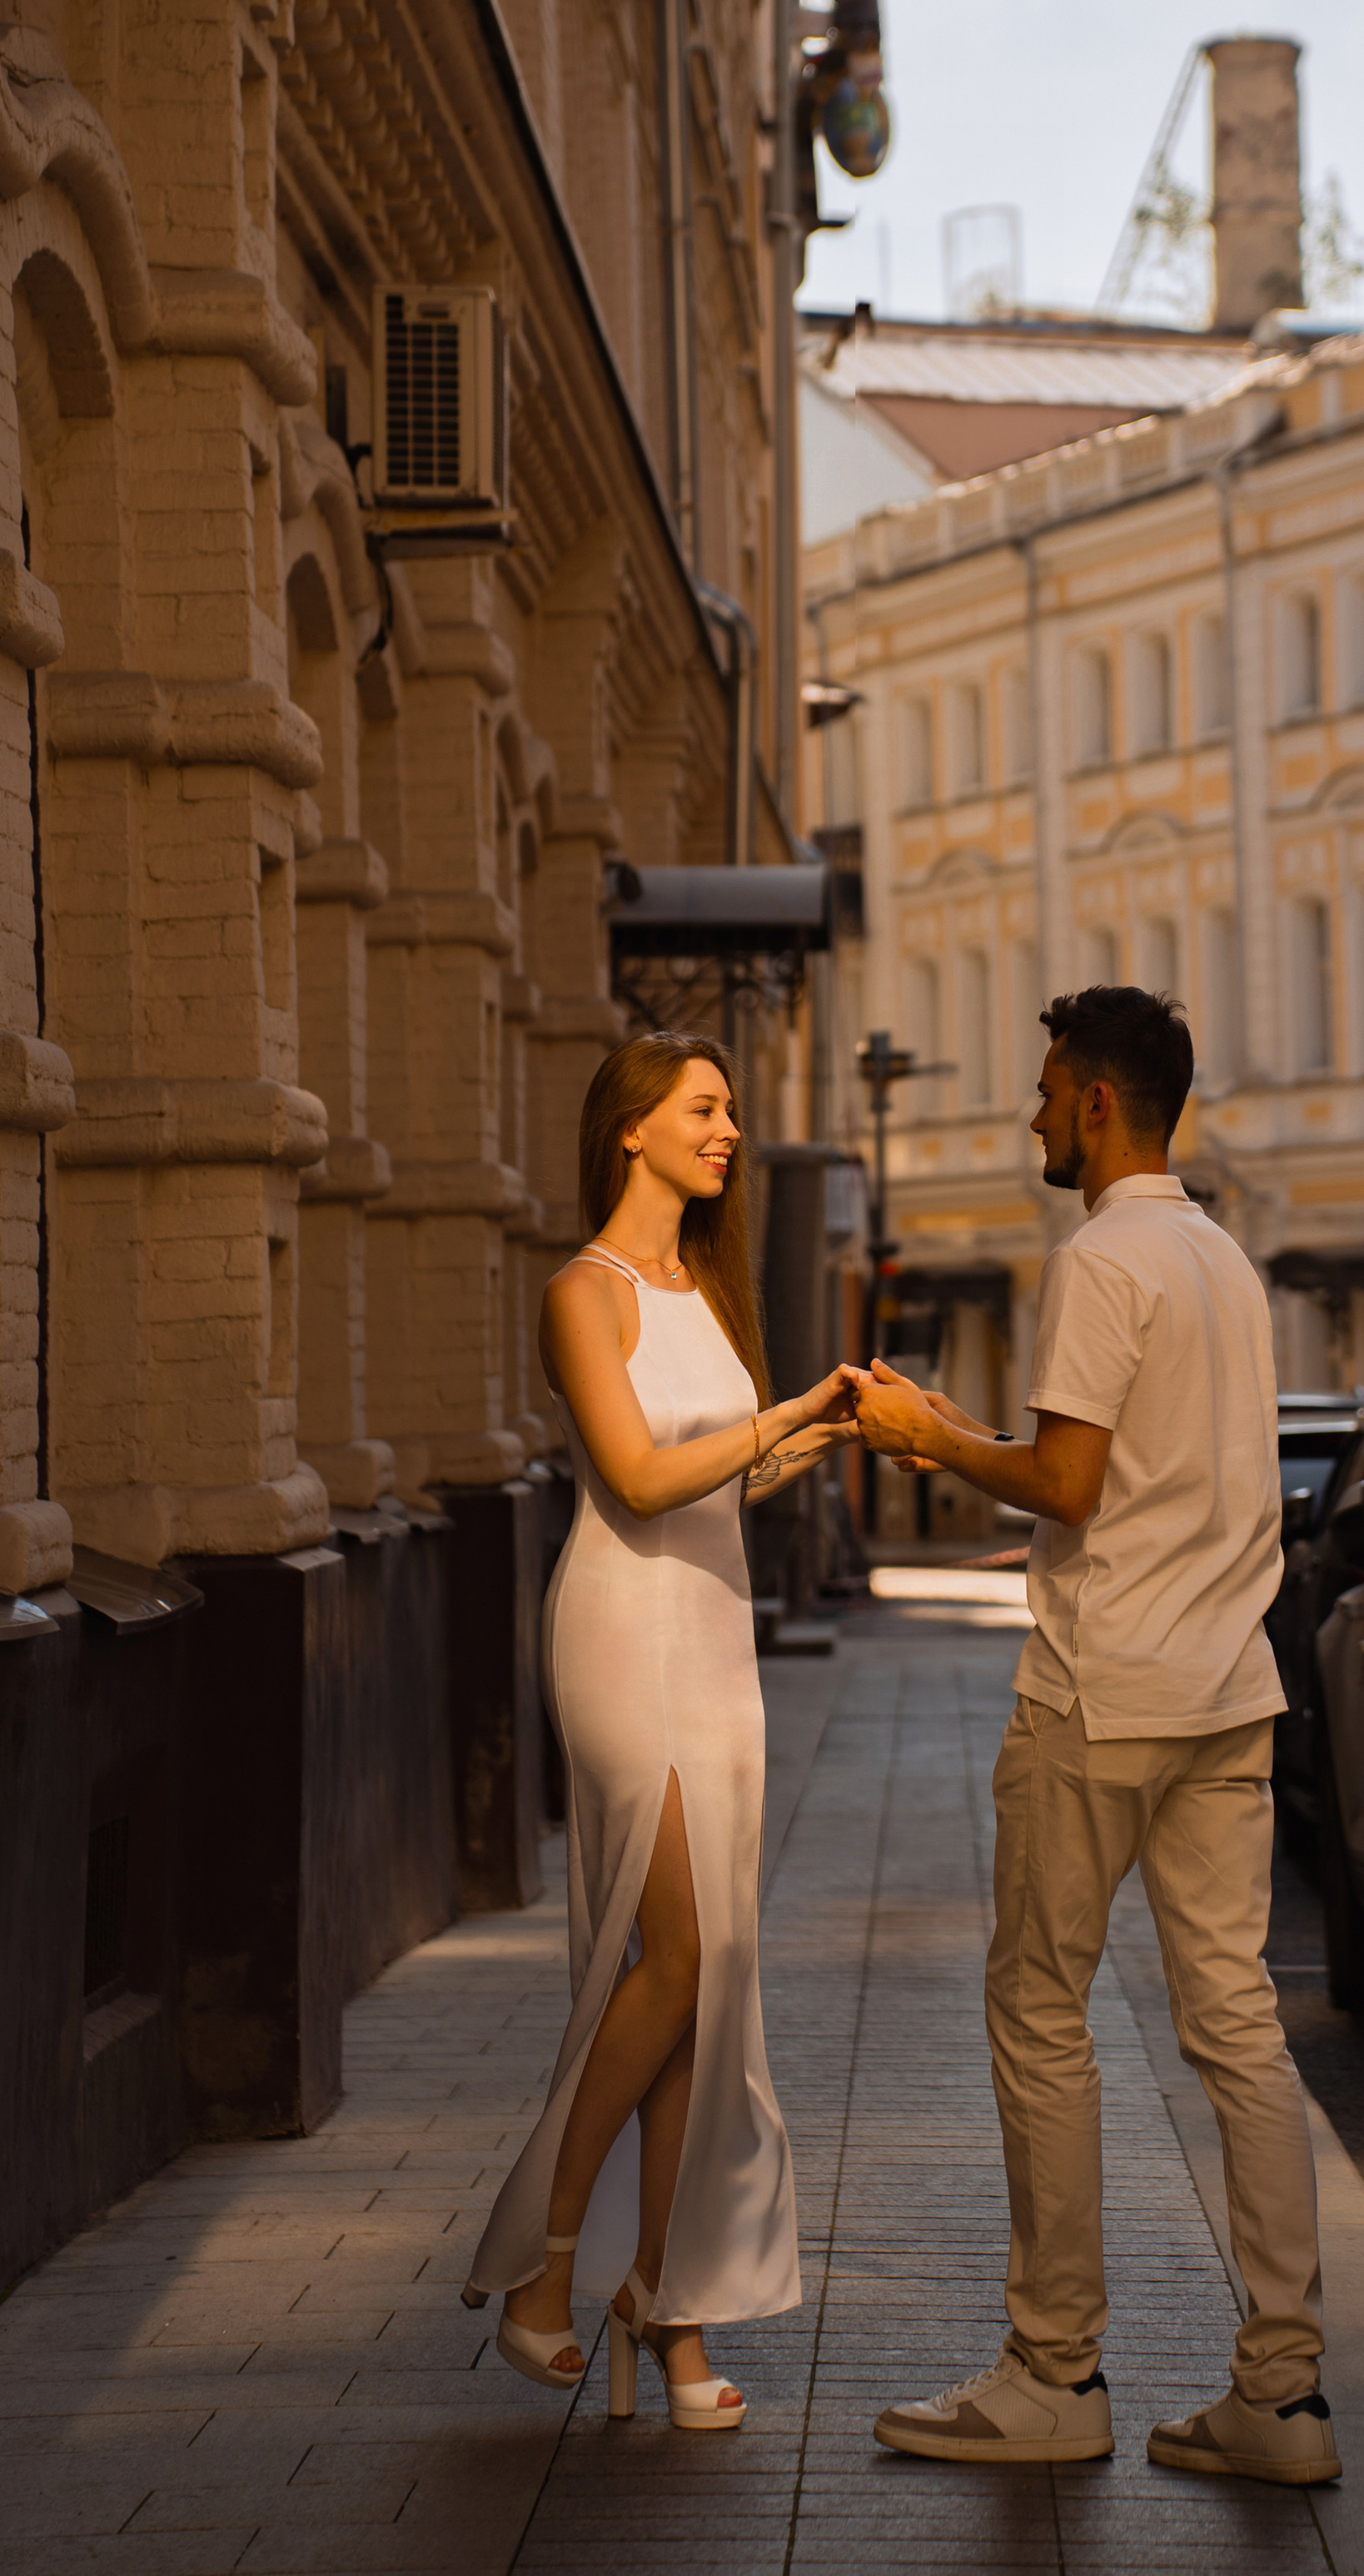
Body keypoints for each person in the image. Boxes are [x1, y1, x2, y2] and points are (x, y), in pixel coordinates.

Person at [855, 987, 1337, 2487]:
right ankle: (1283, 2392)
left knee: (1040, 2012)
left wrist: (928, 1434)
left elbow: (1066, 1482)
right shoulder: (1224, 1263)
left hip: (1101, 1692)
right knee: (1240, 2031)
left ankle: (1055, 2373)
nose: (1035, 1115)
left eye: (1051, 1089)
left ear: (1104, 1106)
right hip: (1227, 1689)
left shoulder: (1102, 1260)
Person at [462, 1032, 858, 2429]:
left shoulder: (705, 1290)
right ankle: (544, 2263)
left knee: (711, 1986)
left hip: (716, 1634)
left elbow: (712, 1491)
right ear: (631, 1129)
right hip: (623, 1637)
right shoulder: (589, 1289)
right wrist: (785, 1417)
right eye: (706, 1108)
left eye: (733, 1111)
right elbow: (634, 1480)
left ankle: (669, 2307)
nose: (730, 1129)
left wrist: (814, 1436)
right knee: (680, 1950)